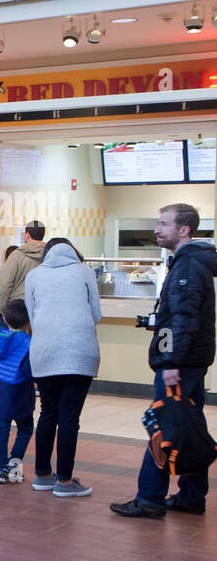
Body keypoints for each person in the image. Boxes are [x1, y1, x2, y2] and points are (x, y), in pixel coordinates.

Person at [111, 203, 216, 519]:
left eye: (163, 224)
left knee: (164, 426)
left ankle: (151, 498)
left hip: (180, 364)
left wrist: (170, 362)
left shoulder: (187, 266)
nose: (157, 229)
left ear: (184, 230)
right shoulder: (193, 262)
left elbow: (184, 317)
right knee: (188, 423)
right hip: (193, 360)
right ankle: (191, 496)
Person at [24, 237, 101, 498]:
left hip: (44, 350)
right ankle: (65, 482)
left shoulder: (34, 276)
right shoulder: (85, 271)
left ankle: (42, 475)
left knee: (47, 413)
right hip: (79, 351)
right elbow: (97, 314)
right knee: (69, 417)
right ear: (73, 251)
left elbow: (31, 315)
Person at [0, 300, 35, 484]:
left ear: (4, 319)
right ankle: (14, 466)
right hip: (20, 392)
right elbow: (29, 371)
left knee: (1, 429)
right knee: (25, 428)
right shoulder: (29, 343)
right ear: (29, 321)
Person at [0, 220, 46, 308]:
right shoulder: (48, 255)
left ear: (27, 235)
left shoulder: (16, 255)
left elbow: (4, 285)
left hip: (18, 307)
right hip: (40, 305)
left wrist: (2, 309)